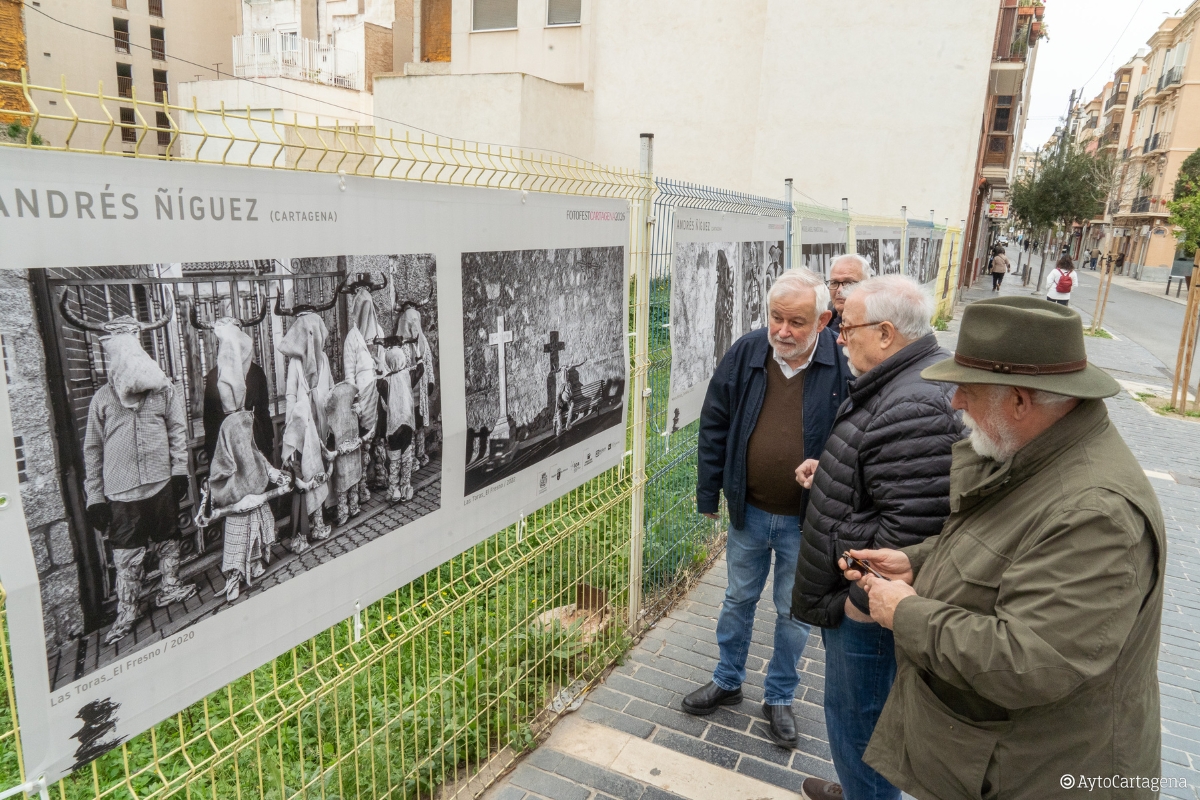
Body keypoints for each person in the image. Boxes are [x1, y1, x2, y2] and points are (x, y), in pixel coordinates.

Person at [839, 296, 1164, 800]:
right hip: (1004, 759)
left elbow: (1031, 660)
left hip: (1044, 775)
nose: (955, 404)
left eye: (968, 390)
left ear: (1019, 400)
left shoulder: (1097, 513)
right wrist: (917, 562)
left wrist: (905, 612)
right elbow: (1003, 550)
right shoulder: (1035, 452)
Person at [791, 276, 964, 800]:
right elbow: (891, 479)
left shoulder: (912, 403)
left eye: (847, 327)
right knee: (860, 724)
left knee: (862, 727)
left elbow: (910, 527)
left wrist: (857, 604)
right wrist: (835, 471)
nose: (840, 339)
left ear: (886, 333)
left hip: (868, 611)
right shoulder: (906, 382)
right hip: (863, 596)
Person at [687, 268, 853, 748]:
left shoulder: (842, 364)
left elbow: (858, 438)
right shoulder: (748, 351)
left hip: (809, 520)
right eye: (776, 318)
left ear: (823, 321)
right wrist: (708, 493)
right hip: (750, 512)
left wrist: (831, 469)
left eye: (797, 322)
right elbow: (715, 421)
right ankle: (727, 679)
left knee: (792, 611)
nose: (782, 331)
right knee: (738, 599)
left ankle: (779, 696)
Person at [64, 299, 198, 645]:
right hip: (121, 493)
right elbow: (91, 450)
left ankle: (170, 587)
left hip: (160, 484)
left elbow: (177, 431)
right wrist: (95, 497)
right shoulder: (102, 400)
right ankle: (128, 610)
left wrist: (180, 470)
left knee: (169, 541)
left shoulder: (164, 391)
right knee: (127, 557)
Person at [826, 253, 870, 333]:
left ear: (866, 285)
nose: (839, 290)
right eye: (834, 282)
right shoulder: (820, 326)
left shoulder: (878, 326)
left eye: (849, 283)